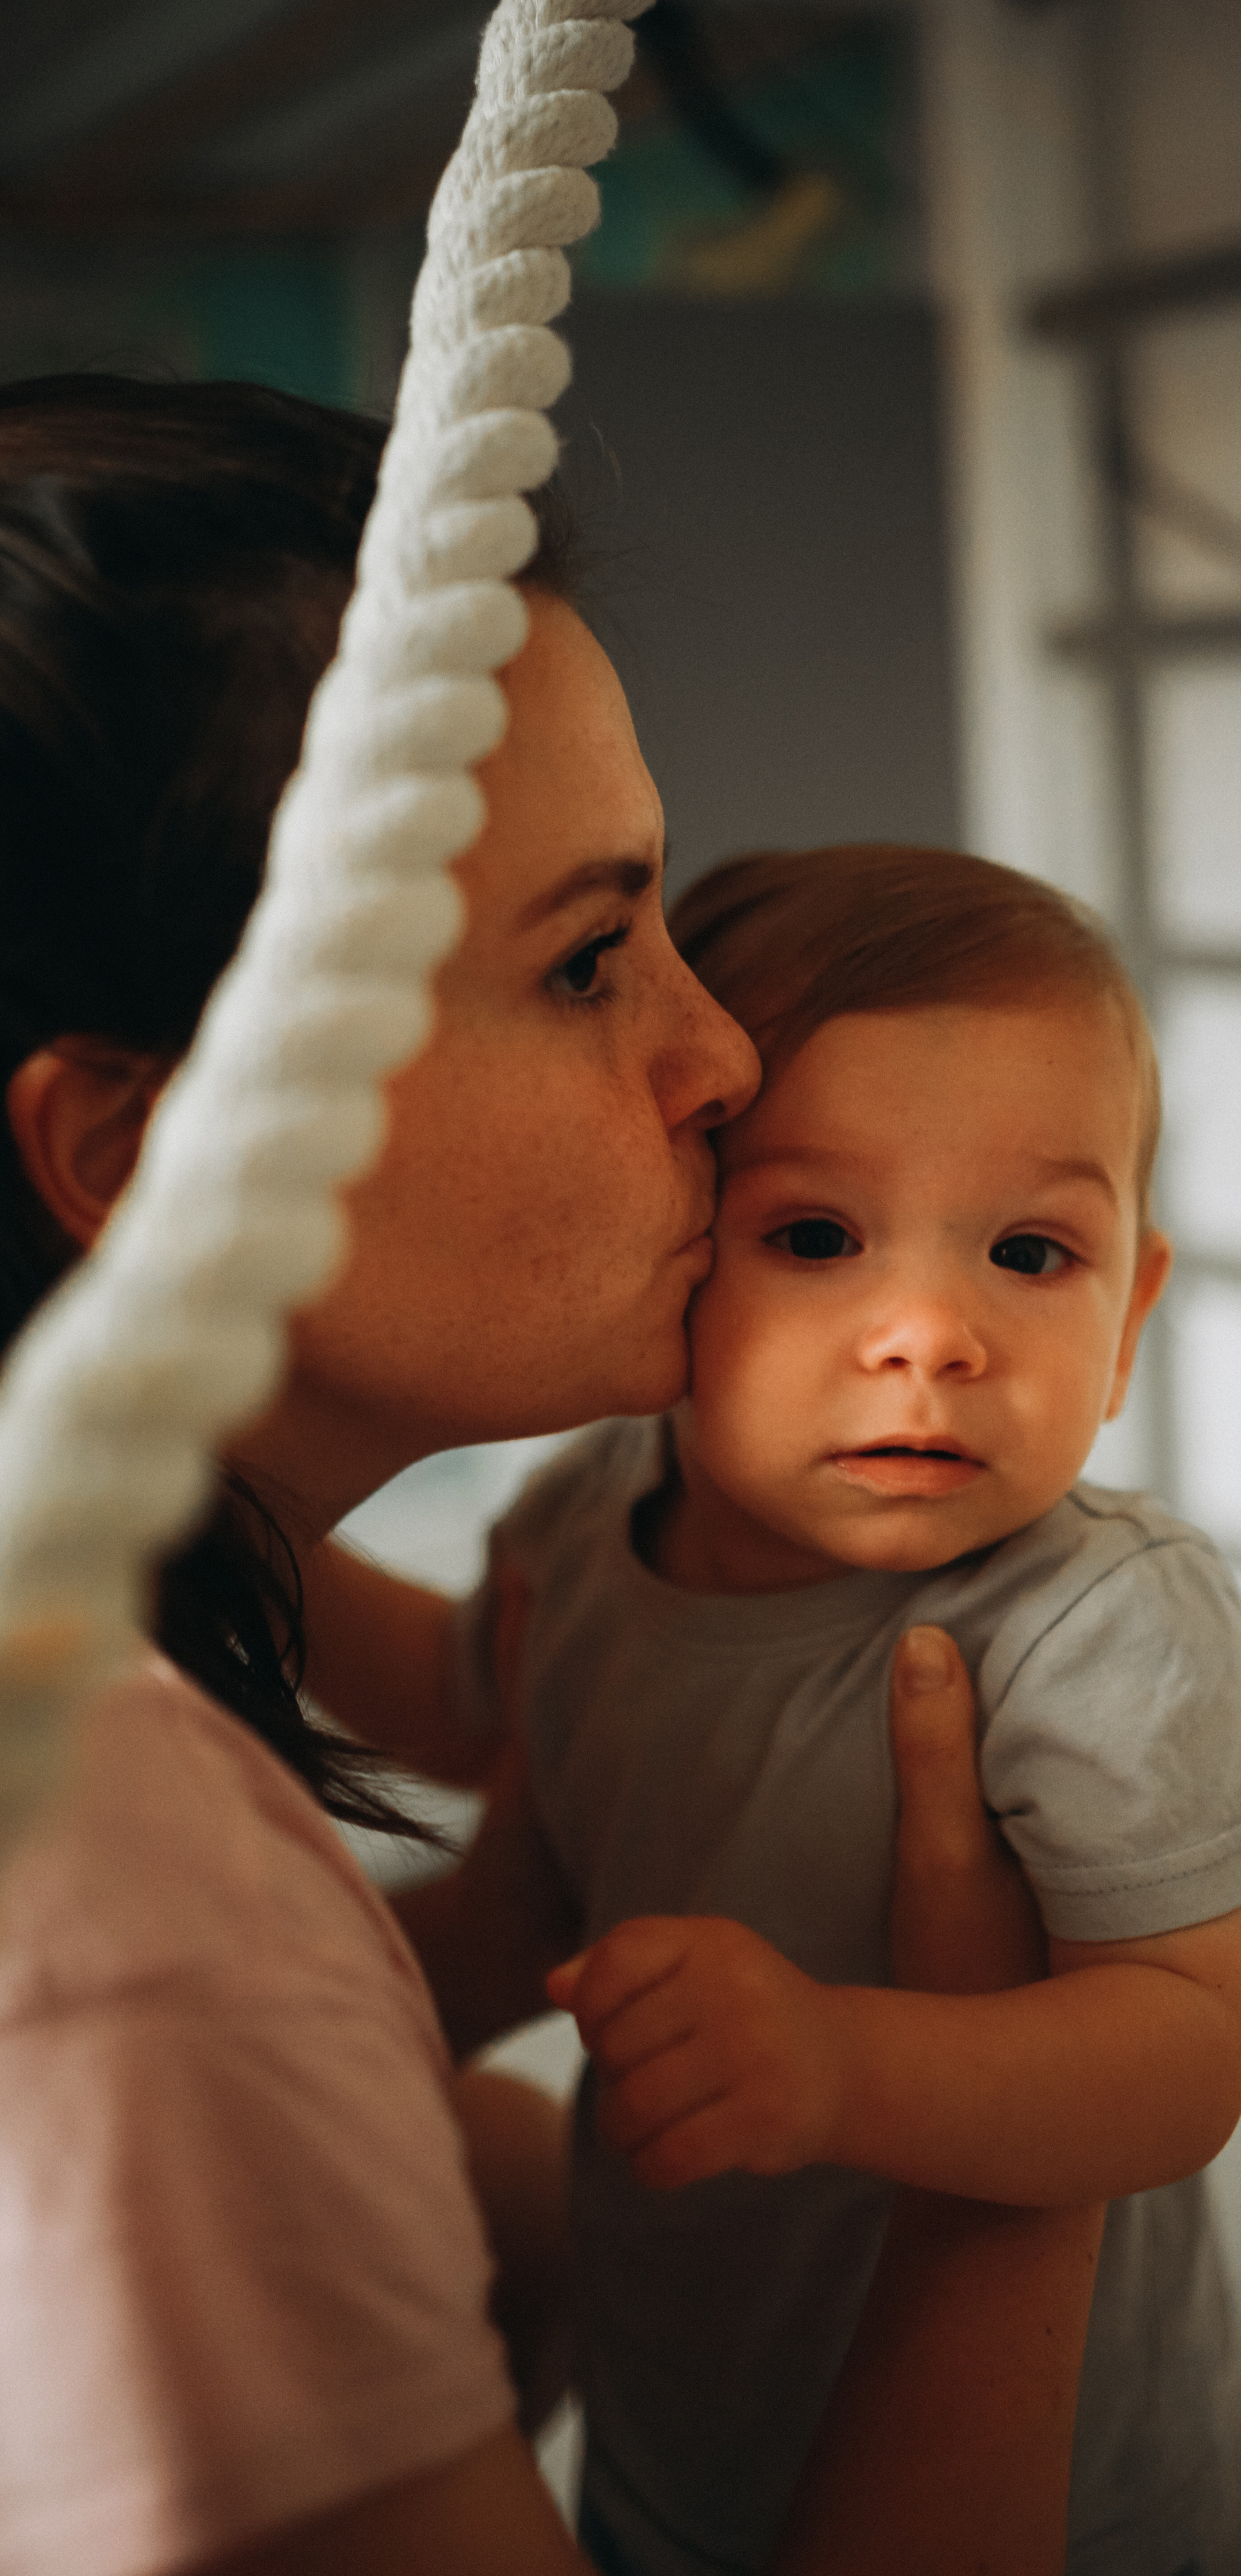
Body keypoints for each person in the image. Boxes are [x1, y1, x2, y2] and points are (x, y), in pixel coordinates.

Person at [0, 374, 1103, 2576]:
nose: (723, 1058)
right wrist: (1016, 2119)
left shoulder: (155, 1641)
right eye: (590, 959)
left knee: (512, 2194)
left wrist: (507, 1929)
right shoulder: (126, 1902)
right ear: (145, 1157)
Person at [308, 844, 1241, 2576]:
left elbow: (1182, 2055)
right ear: (679, 1254)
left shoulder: (1097, 1622)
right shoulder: (608, 1504)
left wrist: (842, 2065)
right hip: (678, 2402)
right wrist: (217, 1536)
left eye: (1032, 1253)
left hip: (1040, 2487)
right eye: (818, 1236)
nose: (931, 1333)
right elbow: (477, 1712)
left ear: (1129, 1311)